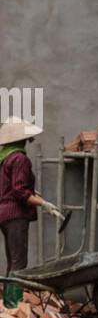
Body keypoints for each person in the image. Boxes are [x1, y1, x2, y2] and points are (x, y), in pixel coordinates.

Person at [0, 117, 53, 307]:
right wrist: (44, 203)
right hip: (15, 215)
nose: (29, 141)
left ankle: (8, 304)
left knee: (12, 260)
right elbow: (20, 191)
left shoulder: (5, 158)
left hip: (4, 214)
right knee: (19, 262)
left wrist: (32, 192)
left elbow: (9, 187)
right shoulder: (20, 159)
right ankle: (14, 305)